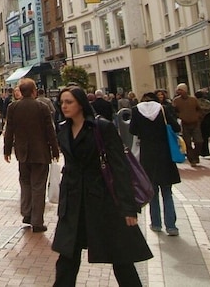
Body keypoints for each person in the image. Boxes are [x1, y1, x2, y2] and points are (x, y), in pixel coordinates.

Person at [52, 86, 152, 286]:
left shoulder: (101, 127)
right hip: (73, 203)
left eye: (69, 102)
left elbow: (119, 167)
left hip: (103, 201)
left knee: (120, 257)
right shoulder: (63, 128)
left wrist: (128, 207)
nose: (64, 106)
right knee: (67, 258)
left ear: (81, 103)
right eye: (62, 102)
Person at [3, 78, 59, 232]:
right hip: (41, 152)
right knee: (38, 186)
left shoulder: (13, 107)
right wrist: (55, 150)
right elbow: (50, 131)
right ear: (34, 91)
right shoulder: (42, 107)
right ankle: (37, 221)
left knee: (25, 183)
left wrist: (7, 150)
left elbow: (9, 130)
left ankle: (27, 213)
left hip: (22, 153)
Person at [129, 91, 181, 236]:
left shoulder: (136, 110)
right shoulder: (162, 109)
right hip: (165, 154)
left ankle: (156, 224)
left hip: (147, 155)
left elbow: (132, 130)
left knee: (152, 192)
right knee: (167, 192)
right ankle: (171, 226)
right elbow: (176, 127)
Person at [172, 84, 203, 165]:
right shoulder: (176, 101)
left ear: (185, 90)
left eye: (180, 90)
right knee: (187, 142)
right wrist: (180, 116)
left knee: (199, 141)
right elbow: (174, 112)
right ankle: (192, 159)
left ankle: (195, 155)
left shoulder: (193, 100)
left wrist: (198, 116)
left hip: (195, 123)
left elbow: (199, 109)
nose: (178, 91)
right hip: (185, 123)